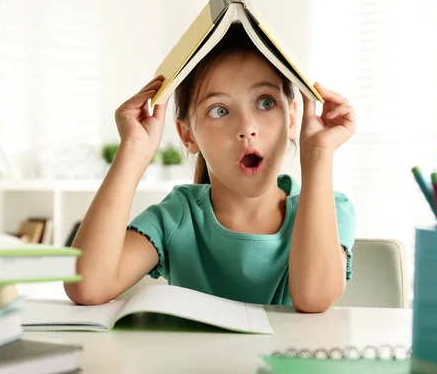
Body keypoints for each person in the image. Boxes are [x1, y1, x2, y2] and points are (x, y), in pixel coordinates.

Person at [64, 24, 356, 313]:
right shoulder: (177, 217)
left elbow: (315, 298)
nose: (246, 127)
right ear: (187, 134)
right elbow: (87, 286)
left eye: (265, 103)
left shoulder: (329, 208)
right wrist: (132, 150)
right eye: (219, 110)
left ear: (292, 118)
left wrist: (318, 155)